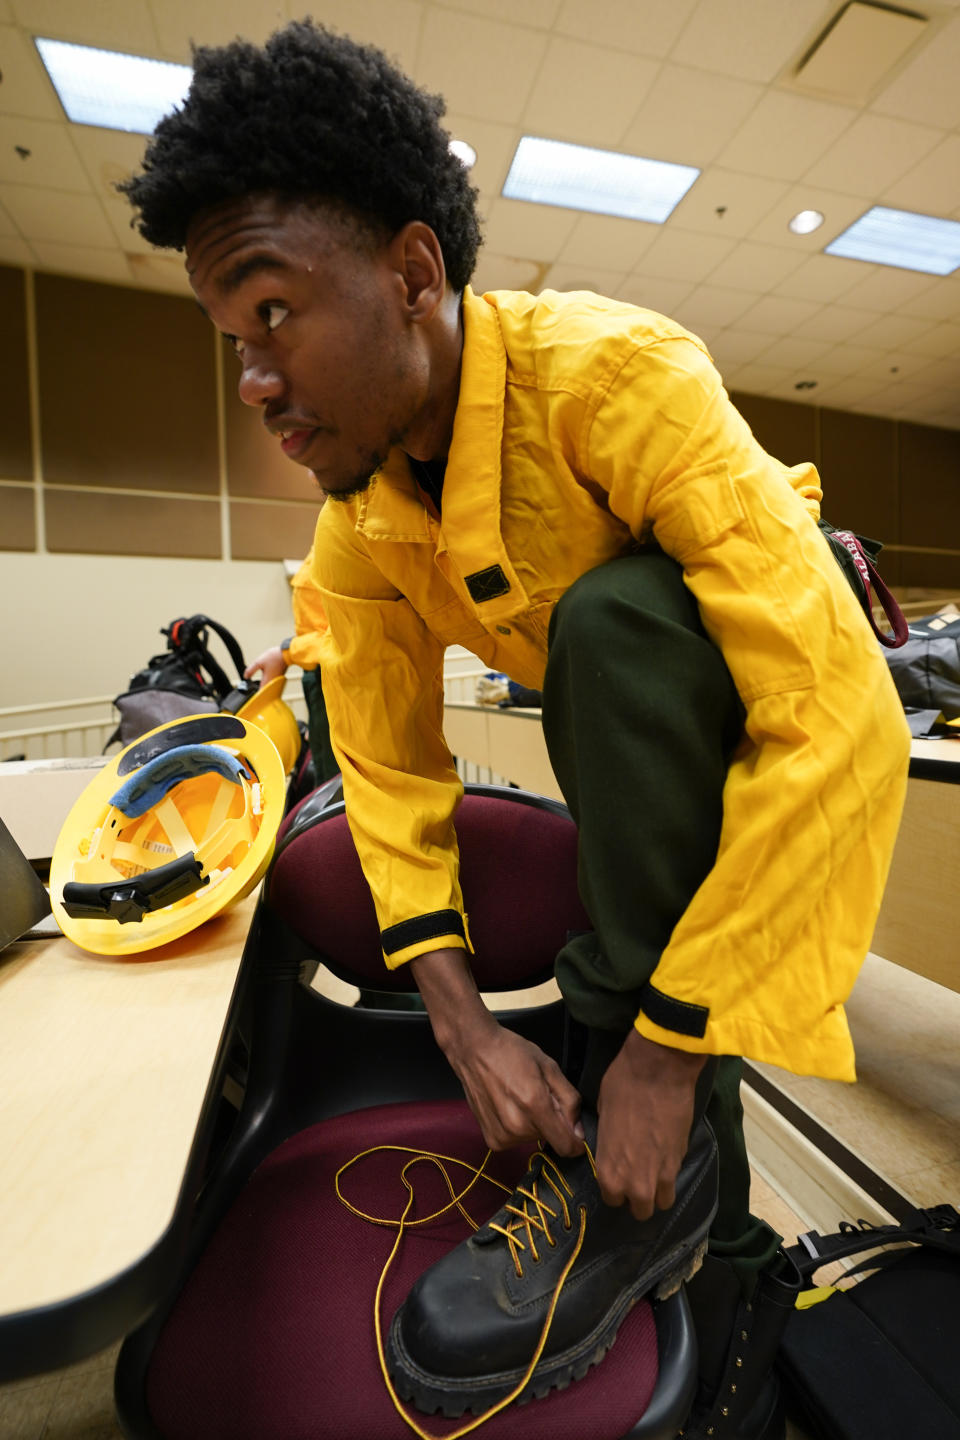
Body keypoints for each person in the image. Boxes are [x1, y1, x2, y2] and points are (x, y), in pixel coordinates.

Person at [120, 23, 911, 1438]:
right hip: (643, 742)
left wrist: (661, 1059)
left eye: (275, 314)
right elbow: (386, 774)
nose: (252, 381)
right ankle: (707, 1260)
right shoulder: (360, 526)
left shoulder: (618, 378)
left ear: (416, 275)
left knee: (612, 630)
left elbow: (834, 716)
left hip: (766, 684)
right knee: (597, 690)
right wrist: (468, 1030)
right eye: (233, 341)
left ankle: (652, 1193)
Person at [244, 539, 340, 787]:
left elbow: (353, 635)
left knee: (337, 787)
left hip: (344, 681)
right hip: (323, 676)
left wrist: (287, 652)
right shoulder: (337, 519)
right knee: (327, 779)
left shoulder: (358, 521)